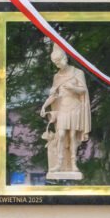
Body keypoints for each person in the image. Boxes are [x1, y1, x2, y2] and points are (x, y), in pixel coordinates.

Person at [38, 42, 90, 179]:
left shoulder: (77, 72)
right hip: (62, 108)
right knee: (60, 135)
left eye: (59, 61)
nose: (57, 65)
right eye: (55, 63)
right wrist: (44, 106)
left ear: (65, 58)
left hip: (75, 107)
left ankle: (73, 164)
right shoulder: (57, 77)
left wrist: (73, 88)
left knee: (72, 136)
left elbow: (83, 90)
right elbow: (54, 95)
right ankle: (59, 163)